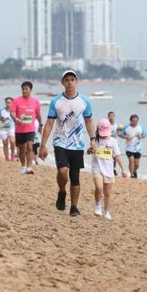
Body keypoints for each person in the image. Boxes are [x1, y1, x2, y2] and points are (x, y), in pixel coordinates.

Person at [39, 70, 96, 217]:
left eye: (72, 79)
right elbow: (49, 123)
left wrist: (93, 140)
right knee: (63, 171)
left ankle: (74, 207)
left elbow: (89, 121)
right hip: (60, 142)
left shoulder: (84, 101)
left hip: (78, 145)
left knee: (75, 177)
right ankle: (62, 190)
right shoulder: (56, 101)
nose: (70, 82)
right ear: (62, 82)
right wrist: (42, 145)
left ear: (76, 82)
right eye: (67, 80)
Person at [91, 118, 127, 221]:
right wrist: (90, 150)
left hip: (109, 170)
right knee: (99, 187)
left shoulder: (113, 141)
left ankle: (107, 212)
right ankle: (97, 204)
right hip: (97, 168)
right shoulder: (95, 140)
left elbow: (118, 156)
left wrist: (123, 169)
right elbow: (90, 151)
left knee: (107, 194)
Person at [10, 81, 42, 174]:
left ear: (30, 90)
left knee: (30, 146)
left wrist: (40, 125)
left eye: (26, 89)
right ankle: (23, 166)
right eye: (23, 89)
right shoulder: (16, 100)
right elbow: (12, 113)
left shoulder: (35, 101)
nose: (24, 91)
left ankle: (29, 167)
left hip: (30, 129)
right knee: (21, 149)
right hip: (19, 130)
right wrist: (16, 119)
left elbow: (38, 114)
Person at [119, 114, 146, 178]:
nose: (135, 122)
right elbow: (120, 135)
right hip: (129, 148)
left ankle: (134, 171)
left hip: (138, 149)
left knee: (137, 164)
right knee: (131, 161)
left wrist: (141, 136)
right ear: (130, 121)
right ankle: (132, 175)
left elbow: (144, 135)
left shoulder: (140, 127)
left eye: (136, 121)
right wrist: (126, 136)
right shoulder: (126, 127)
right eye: (133, 121)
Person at [0, 97, 16, 161]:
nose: (8, 104)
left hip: (11, 128)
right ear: (5, 103)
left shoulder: (14, 110)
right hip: (3, 129)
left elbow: (17, 119)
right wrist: (1, 118)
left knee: (12, 142)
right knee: (5, 144)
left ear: (12, 103)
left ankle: (12, 154)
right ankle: (7, 157)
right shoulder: (1, 110)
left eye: (9, 102)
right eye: (7, 102)